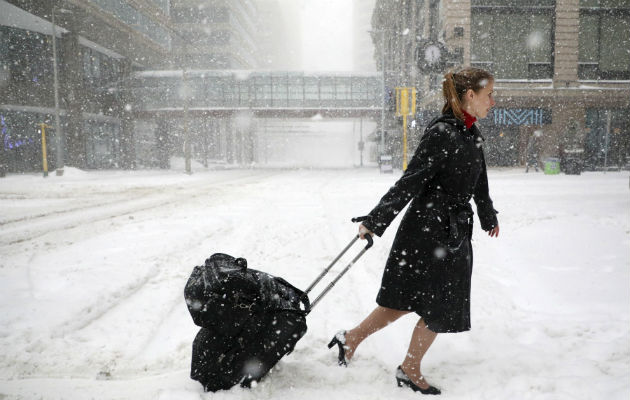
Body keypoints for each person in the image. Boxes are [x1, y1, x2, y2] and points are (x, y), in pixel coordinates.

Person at [327, 67, 500, 395]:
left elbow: (480, 181)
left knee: (431, 304)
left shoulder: (472, 134)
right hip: (426, 231)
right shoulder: (442, 133)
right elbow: (411, 180)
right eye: (488, 94)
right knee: (413, 302)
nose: (493, 100)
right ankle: (408, 368)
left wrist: (487, 215)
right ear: (469, 96)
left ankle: (350, 339)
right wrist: (376, 221)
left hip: (453, 233)